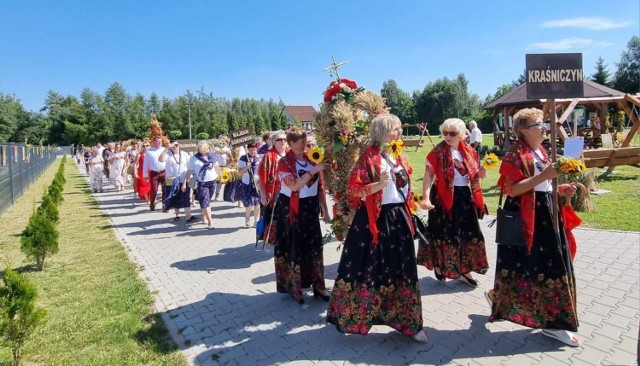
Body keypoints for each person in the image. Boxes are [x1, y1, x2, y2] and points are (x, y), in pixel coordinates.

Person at [326, 114, 427, 343]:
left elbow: (405, 185)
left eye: (400, 128)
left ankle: (411, 323)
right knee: (366, 267)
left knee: (403, 268)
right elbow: (355, 189)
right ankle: (355, 316)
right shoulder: (368, 158)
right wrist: (378, 185)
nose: (400, 132)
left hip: (398, 217)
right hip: (373, 220)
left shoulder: (397, 154)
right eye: (396, 129)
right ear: (383, 131)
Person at [486, 108, 580, 347]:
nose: (545, 128)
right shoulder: (514, 155)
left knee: (547, 265)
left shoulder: (540, 150)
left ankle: (551, 320)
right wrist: (545, 175)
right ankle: (553, 324)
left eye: (545, 124)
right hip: (527, 216)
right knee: (536, 265)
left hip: (546, 210)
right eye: (540, 124)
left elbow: (543, 183)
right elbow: (514, 189)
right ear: (524, 130)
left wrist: (559, 189)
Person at [417, 118, 488, 287]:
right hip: (442, 198)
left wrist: (480, 174)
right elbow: (428, 176)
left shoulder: (470, 151)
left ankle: (465, 270)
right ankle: (441, 266)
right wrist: (426, 197)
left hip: (464, 197)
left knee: (469, 233)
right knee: (444, 234)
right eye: (445, 133)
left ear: (463, 134)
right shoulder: (437, 152)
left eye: (453, 133)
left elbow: (472, 175)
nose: (448, 136)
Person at [274, 126, 330, 304]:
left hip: (310, 210)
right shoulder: (284, 162)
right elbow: (294, 186)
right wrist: (314, 171)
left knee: (315, 247)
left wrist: (326, 211)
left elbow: (320, 188)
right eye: (300, 143)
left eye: (305, 143)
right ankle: (295, 286)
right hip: (292, 210)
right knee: (294, 247)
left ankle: (319, 286)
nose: (304, 146)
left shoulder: (311, 160)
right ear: (290, 143)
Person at [183, 141, 222, 230]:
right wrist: (184, 182)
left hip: (212, 181)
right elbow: (189, 171)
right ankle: (210, 222)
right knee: (206, 202)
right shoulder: (194, 158)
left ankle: (204, 216)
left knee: (207, 201)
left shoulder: (212, 157)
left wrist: (221, 176)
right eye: (201, 148)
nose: (203, 150)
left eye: (204, 148)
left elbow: (217, 167)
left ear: (208, 148)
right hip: (202, 183)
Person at [258, 130, 287, 243]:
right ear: (274, 142)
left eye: (285, 139)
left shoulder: (290, 154)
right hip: (275, 193)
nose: (283, 141)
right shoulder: (269, 156)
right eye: (280, 139)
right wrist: (263, 195)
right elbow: (262, 177)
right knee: (276, 218)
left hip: (290, 192)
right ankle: (277, 240)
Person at [161, 141, 195, 222]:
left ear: (179, 145)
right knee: (175, 197)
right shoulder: (168, 154)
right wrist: (166, 149)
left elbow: (189, 165)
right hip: (172, 179)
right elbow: (161, 159)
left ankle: (188, 216)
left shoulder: (184, 154)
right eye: (173, 146)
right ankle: (177, 215)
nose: (175, 147)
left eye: (176, 145)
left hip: (183, 179)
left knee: (186, 197)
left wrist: (190, 177)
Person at [237, 142, 261, 227]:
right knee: (249, 204)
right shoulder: (243, 158)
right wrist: (247, 167)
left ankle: (256, 220)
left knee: (257, 203)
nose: (253, 152)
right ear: (248, 149)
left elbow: (261, 171)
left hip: (257, 183)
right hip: (247, 183)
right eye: (251, 150)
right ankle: (247, 217)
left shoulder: (258, 158)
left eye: (255, 150)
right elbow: (239, 173)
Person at [143, 136, 167, 211]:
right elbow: (146, 164)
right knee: (154, 190)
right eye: (157, 141)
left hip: (164, 172)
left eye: (160, 141)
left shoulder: (165, 150)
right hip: (154, 173)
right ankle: (152, 203)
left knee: (165, 189)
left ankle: (165, 205)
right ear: (154, 142)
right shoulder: (149, 151)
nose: (159, 142)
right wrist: (145, 175)